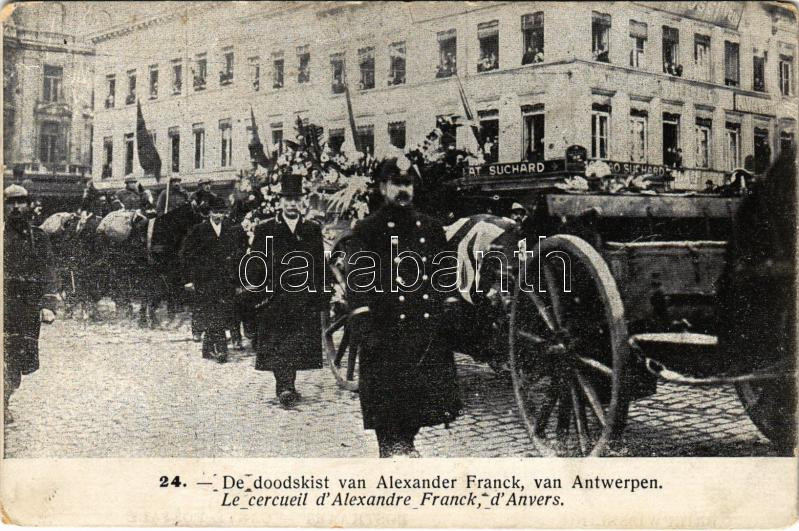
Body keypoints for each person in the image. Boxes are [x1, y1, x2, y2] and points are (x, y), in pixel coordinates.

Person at [346, 158, 461, 457]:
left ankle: (405, 442)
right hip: (386, 325)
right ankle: (392, 446)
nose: (402, 190)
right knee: (386, 394)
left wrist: (449, 303)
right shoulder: (367, 230)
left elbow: (445, 271)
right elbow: (358, 281)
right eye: (396, 184)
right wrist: (363, 322)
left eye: (407, 184)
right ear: (383, 187)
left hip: (422, 324)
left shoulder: (431, 228)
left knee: (419, 393)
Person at [248, 173, 327, 407]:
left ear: (302, 201)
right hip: (275, 296)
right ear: (280, 201)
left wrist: (322, 294)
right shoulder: (266, 229)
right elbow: (255, 262)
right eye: (288, 199)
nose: (292, 204)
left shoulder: (311, 229)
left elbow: (319, 264)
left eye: (296, 199)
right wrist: (257, 291)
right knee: (278, 342)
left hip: (303, 296)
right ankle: (284, 386)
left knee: (295, 342)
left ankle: (288, 384)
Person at [4, 185, 58, 424]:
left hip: (27, 307)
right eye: (10, 203)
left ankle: (5, 397)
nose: (16, 208)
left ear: (28, 205)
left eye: (20, 203)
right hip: (4, 304)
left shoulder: (39, 237)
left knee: (19, 360)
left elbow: (48, 270)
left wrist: (48, 303)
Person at [181, 195, 246, 363]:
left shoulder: (230, 230)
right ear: (209, 213)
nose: (219, 216)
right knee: (212, 313)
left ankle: (208, 349)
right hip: (205, 279)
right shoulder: (198, 230)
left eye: (222, 212)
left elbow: (238, 257)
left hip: (225, 279)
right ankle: (220, 350)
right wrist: (189, 279)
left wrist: (238, 282)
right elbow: (186, 255)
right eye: (215, 212)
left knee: (221, 313)